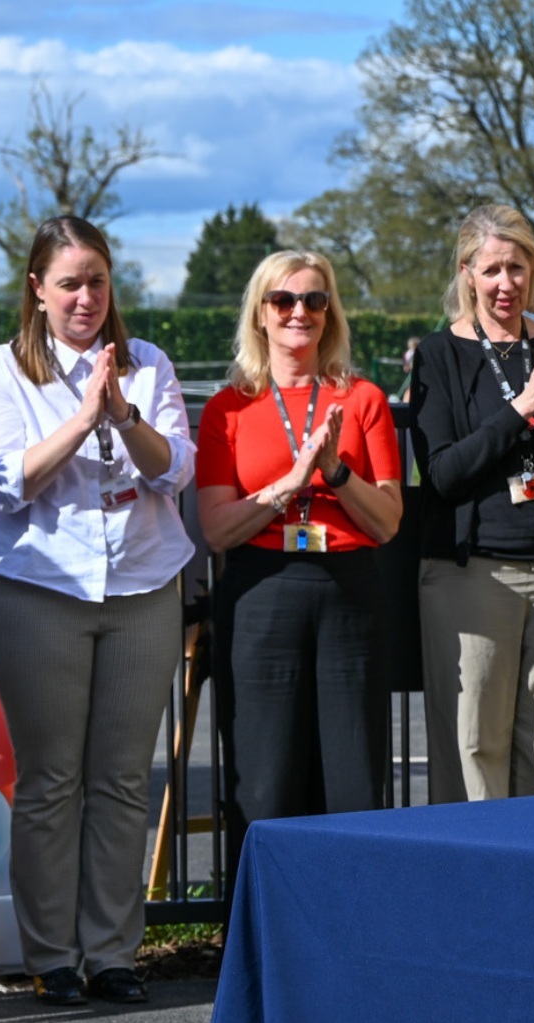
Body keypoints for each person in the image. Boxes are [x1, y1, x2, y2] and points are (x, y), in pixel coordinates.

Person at [0, 216, 196, 1006]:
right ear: (36, 289)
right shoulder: (3, 369)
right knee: (53, 780)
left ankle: (113, 953)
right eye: (68, 282)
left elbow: (173, 474)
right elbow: (1, 481)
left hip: (141, 589)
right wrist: (82, 414)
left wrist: (124, 414)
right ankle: (53, 955)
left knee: (125, 778)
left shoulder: (150, 364)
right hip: (39, 592)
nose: (85, 297)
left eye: (96, 280)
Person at [196, 250, 404, 875]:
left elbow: (388, 521)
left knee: (355, 783)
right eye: (283, 301)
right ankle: (261, 950)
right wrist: (290, 482)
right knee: (263, 785)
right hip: (262, 593)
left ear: (330, 313)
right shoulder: (227, 409)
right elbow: (216, 528)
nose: (298, 313)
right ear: (260, 314)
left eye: (314, 300)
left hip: (349, 593)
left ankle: (355, 948)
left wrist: (334, 471)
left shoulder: (363, 399)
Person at [410, 205, 534, 803]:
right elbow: (445, 472)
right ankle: (476, 883)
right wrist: (526, 403)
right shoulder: (439, 355)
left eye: (517, 268)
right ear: (467, 272)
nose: (506, 284)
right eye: (492, 269)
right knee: (475, 746)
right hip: (472, 575)